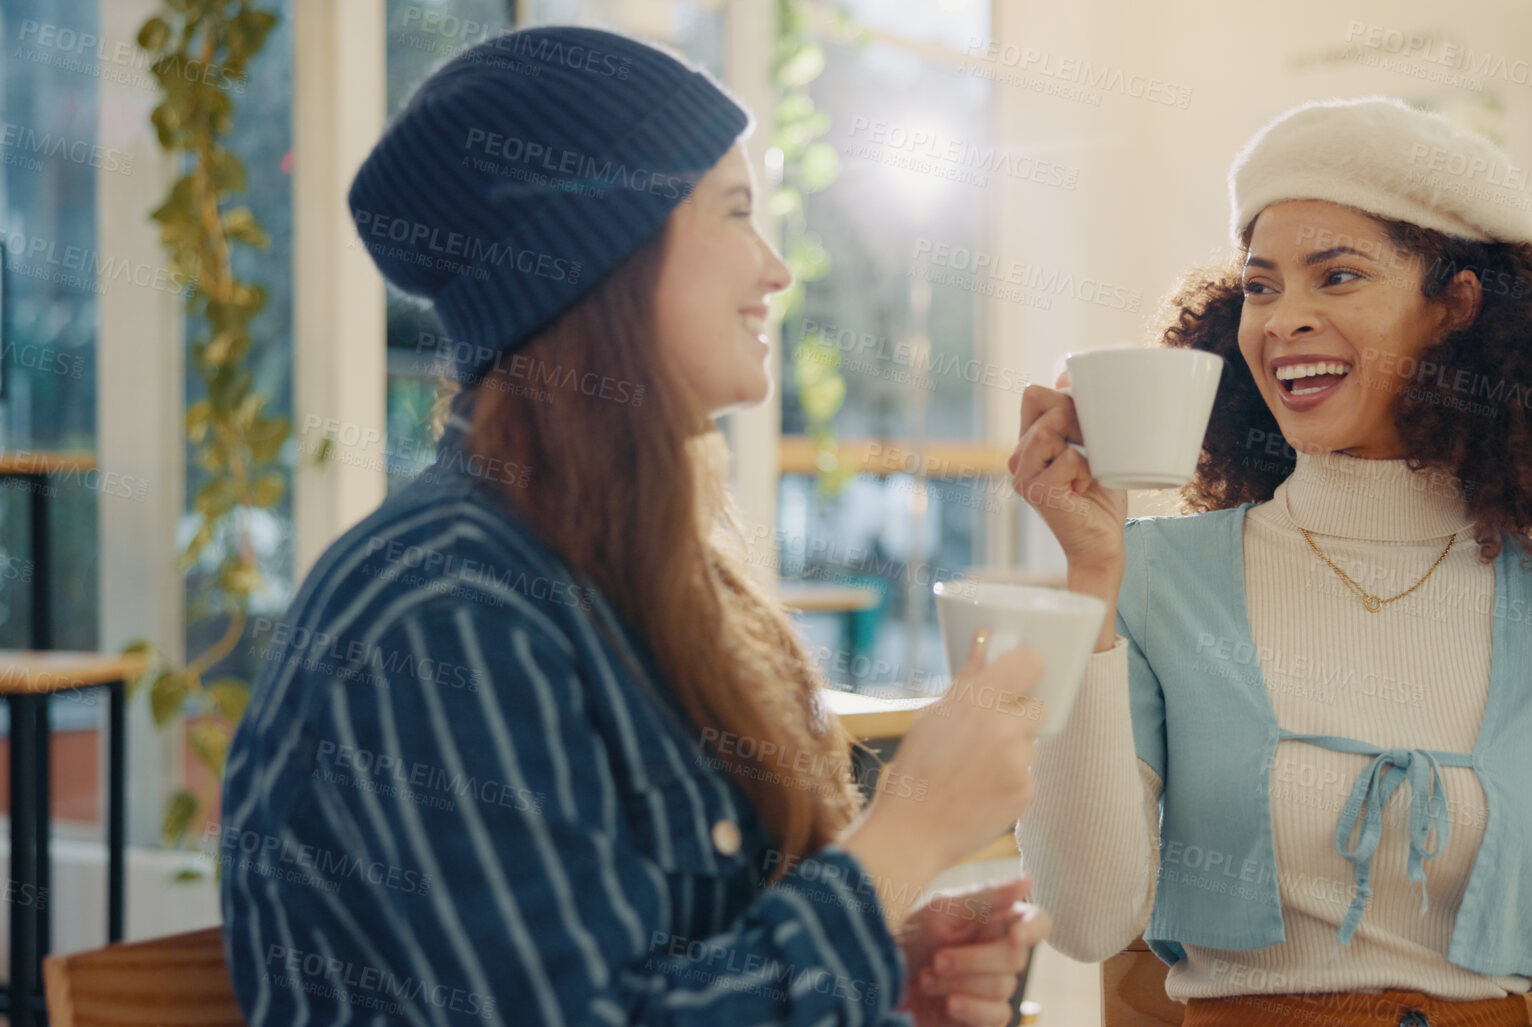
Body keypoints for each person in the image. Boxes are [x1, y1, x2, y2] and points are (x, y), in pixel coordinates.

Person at [219, 27, 1049, 1027]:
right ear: (598, 259)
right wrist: (908, 833)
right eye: (738, 214)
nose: (776, 269)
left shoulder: (639, 580)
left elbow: (674, 963)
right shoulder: (444, 615)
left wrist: (881, 966)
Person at [1011, 96, 1532, 1026]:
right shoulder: (1150, 581)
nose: (1282, 321)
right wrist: (1089, 583)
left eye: (1336, 277)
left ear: (1454, 308)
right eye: (1261, 287)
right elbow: (1085, 919)